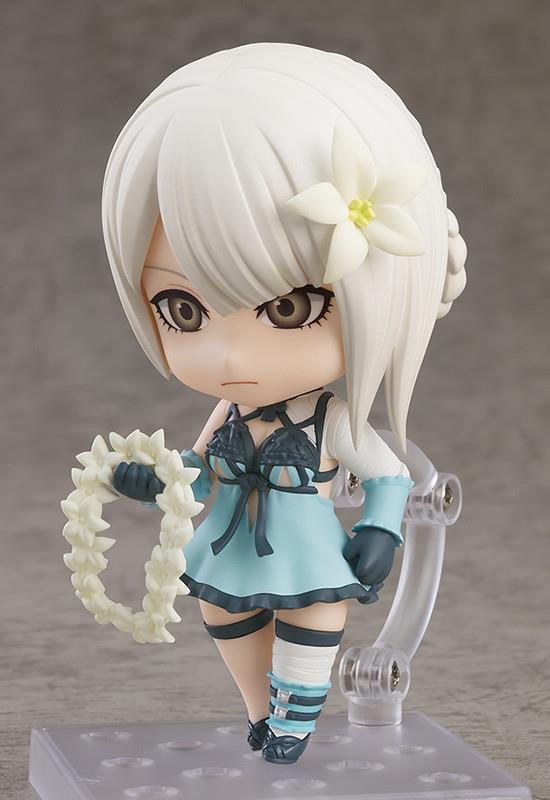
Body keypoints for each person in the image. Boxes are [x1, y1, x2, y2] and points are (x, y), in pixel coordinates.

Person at [101, 42, 466, 764]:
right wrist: (158, 481)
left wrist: (380, 531)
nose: (231, 358)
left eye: (288, 308)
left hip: (307, 550)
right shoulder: (228, 413)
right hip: (229, 543)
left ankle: (294, 723)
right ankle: (259, 711)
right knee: (223, 615)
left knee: (311, 621)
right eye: (182, 310)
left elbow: (390, 475)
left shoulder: (334, 420)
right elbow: (199, 470)